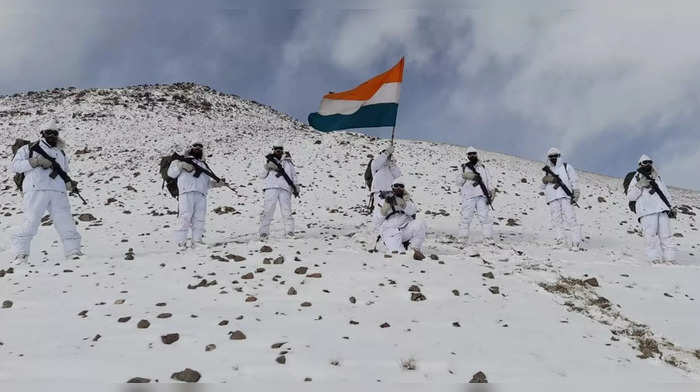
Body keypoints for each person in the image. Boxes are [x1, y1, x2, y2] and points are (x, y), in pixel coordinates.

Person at [10, 119, 82, 263]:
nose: (51, 135)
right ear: (42, 133)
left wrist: (69, 184)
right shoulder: (28, 149)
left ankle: (73, 252)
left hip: (58, 191)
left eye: (54, 133)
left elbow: (63, 172)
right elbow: (15, 166)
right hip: (36, 190)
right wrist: (35, 162)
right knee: (30, 222)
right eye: (48, 132)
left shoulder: (60, 153)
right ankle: (20, 254)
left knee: (66, 222)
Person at [167, 142, 227, 249]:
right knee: (184, 217)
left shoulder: (204, 164)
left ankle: (197, 241)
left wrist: (217, 184)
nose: (198, 149)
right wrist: (181, 165)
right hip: (186, 192)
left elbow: (206, 183)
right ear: (190, 148)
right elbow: (171, 173)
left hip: (201, 194)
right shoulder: (180, 160)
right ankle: (181, 242)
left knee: (199, 218)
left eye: (200, 148)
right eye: (195, 147)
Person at [627, 155, 675, 263]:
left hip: (661, 209)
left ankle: (670, 258)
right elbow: (630, 197)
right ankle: (654, 258)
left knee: (666, 235)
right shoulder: (636, 178)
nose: (647, 164)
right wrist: (639, 185)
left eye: (649, 162)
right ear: (640, 164)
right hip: (647, 211)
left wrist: (671, 207)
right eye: (645, 162)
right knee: (651, 236)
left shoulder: (657, 177)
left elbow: (665, 193)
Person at [541, 147, 582, 250]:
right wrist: (546, 179)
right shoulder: (548, 170)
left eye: (555, 156)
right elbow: (541, 186)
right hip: (552, 197)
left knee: (571, 218)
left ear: (559, 156)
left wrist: (575, 194)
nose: (553, 158)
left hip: (565, 196)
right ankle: (560, 240)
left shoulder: (566, 167)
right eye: (551, 157)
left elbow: (574, 181)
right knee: (556, 220)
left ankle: (576, 242)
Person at [377, 181, 427, 260]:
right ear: (392, 187)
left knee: (420, 224)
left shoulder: (407, 200)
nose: (398, 188)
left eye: (401, 186)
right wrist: (384, 209)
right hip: (390, 230)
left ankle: (415, 249)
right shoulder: (384, 200)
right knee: (398, 254)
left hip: (405, 228)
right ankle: (405, 254)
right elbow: (377, 222)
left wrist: (404, 204)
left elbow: (413, 212)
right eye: (396, 186)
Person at [259, 143, 298, 239]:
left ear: (283, 150)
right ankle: (264, 232)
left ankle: (289, 231)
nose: (278, 151)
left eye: (280, 149)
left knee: (287, 211)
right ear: (273, 149)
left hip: (285, 188)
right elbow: (262, 175)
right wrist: (267, 167)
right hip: (271, 187)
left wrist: (296, 187)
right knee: (268, 210)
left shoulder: (288, 162)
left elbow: (293, 176)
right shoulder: (269, 160)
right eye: (276, 149)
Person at [456, 146, 495, 243]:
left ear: (476, 154)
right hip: (469, 196)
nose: (472, 155)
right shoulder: (464, 167)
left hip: (482, 196)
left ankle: (488, 238)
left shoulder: (483, 167)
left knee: (485, 217)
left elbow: (488, 180)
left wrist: (492, 191)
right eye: (470, 154)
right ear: (467, 156)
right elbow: (458, 182)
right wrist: (465, 176)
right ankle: (462, 238)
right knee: (466, 217)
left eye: (473, 153)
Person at [370, 144, 402, 227]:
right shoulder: (375, 165)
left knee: (390, 210)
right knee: (380, 211)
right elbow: (377, 162)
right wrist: (387, 152)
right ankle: (378, 227)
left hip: (390, 193)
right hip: (378, 192)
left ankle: (389, 227)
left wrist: (392, 164)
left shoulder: (390, 167)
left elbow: (397, 174)